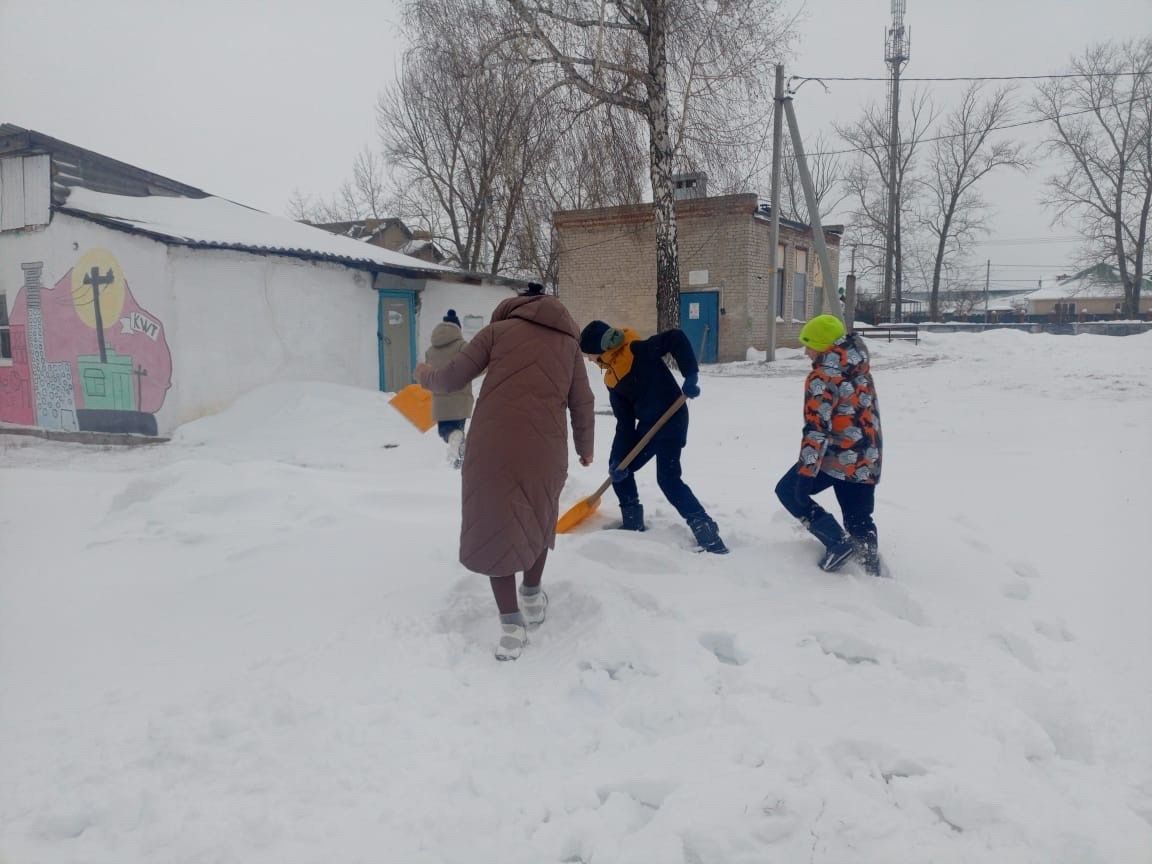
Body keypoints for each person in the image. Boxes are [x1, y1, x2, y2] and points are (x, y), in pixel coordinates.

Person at [415, 292, 594, 661]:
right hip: (545, 448)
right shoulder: (568, 344)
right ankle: (532, 596)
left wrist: (423, 375)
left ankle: (512, 627)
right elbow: (582, 401)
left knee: (496, 525)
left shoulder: (497, 332)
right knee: (537, 518)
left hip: (493, 444)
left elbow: (450, 380)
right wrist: (584, 446)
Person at [578, 320, 727, 554]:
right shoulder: (612, 380)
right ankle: (632, 520)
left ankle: (705, 528)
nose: (589, 359)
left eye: (590, 354)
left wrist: (690, 376)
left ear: (603, 347)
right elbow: (625, 424)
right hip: (649, 427)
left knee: (668, 479)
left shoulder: (638, 349)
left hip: (672, 419)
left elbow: (676, 338)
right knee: (619, 469)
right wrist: (619, 458)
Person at [775, 314, 883, 575]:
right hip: (868, 456)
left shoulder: (822, 378)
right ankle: (871, 570)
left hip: (836, 457)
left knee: (788, 491)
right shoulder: (860, 368)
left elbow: (816, 429)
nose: (805, 351)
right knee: (859, 517)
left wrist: (806, 474)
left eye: (809, 344)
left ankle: (836, 541)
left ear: (824, 346)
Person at [424, 309, 473, 469]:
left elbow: (428, 371)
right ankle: (460, 456)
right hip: (460, 397)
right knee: (457, 430)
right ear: (458, 328)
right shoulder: (462, 346)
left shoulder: (430, 351)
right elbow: (474, 363)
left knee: (445, 431)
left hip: (440, 399)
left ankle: (459, 458)